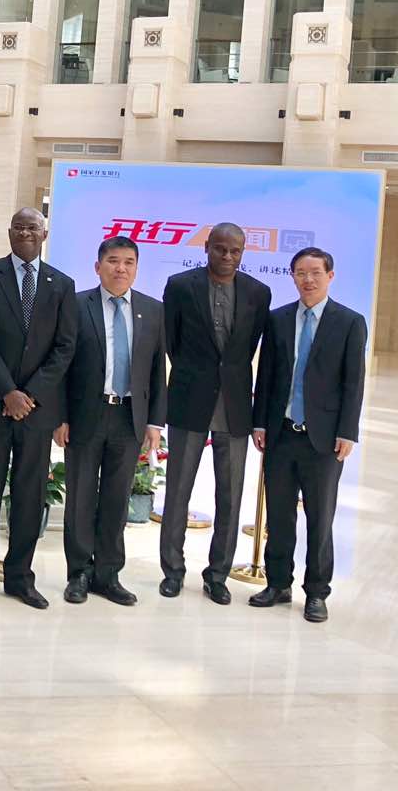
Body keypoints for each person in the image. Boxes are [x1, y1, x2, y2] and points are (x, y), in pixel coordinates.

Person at [0, 207, 77, 609]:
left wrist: (30, 395)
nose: (26, 233)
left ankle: (20, 578)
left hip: (37, 410)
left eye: (33, 227)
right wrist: (8, 392)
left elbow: (65, 347)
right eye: (19, 227)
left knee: (29, 495)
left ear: (44, 234)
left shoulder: (62, 284)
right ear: (10, 233)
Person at [249, 248, 366, 623]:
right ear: (293, 276)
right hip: (281, 434)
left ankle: (316, 592)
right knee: (279, 515)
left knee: (320, 518)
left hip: (324, 439)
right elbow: (266, 375)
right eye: (301, 272)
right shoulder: (278, 319)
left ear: (330, 276)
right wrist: (260, 423)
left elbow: (353, 382)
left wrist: (347, 430)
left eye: (315, 272)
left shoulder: (350, 322)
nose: (308, 279)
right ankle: (277, 584)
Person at [158, 222, 271, 604]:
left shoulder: (258, 293)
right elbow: (172, 342)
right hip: (190, 399)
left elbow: (248, 347)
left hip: (235, 405)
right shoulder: (180, 286)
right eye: (220, 248)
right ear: (206, 246)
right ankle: (173, 571)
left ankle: (218, 575)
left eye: (235, 251)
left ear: (243, 253)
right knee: (178, 491)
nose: (227, 256)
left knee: (231, 495)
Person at [56, 236, 167, 606]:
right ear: (98, 266)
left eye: (129, 262)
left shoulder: (153, 310)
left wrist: (155, 422)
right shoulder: (76, 305)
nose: (121, 268)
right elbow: (62, 366)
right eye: (114, 261)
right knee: (80, 498)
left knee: (117, 500)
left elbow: (157, 370)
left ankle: (108, 574)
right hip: (85, 415)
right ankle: (79, 573)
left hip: (129, 417)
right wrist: (60, 416)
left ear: (136, 268)